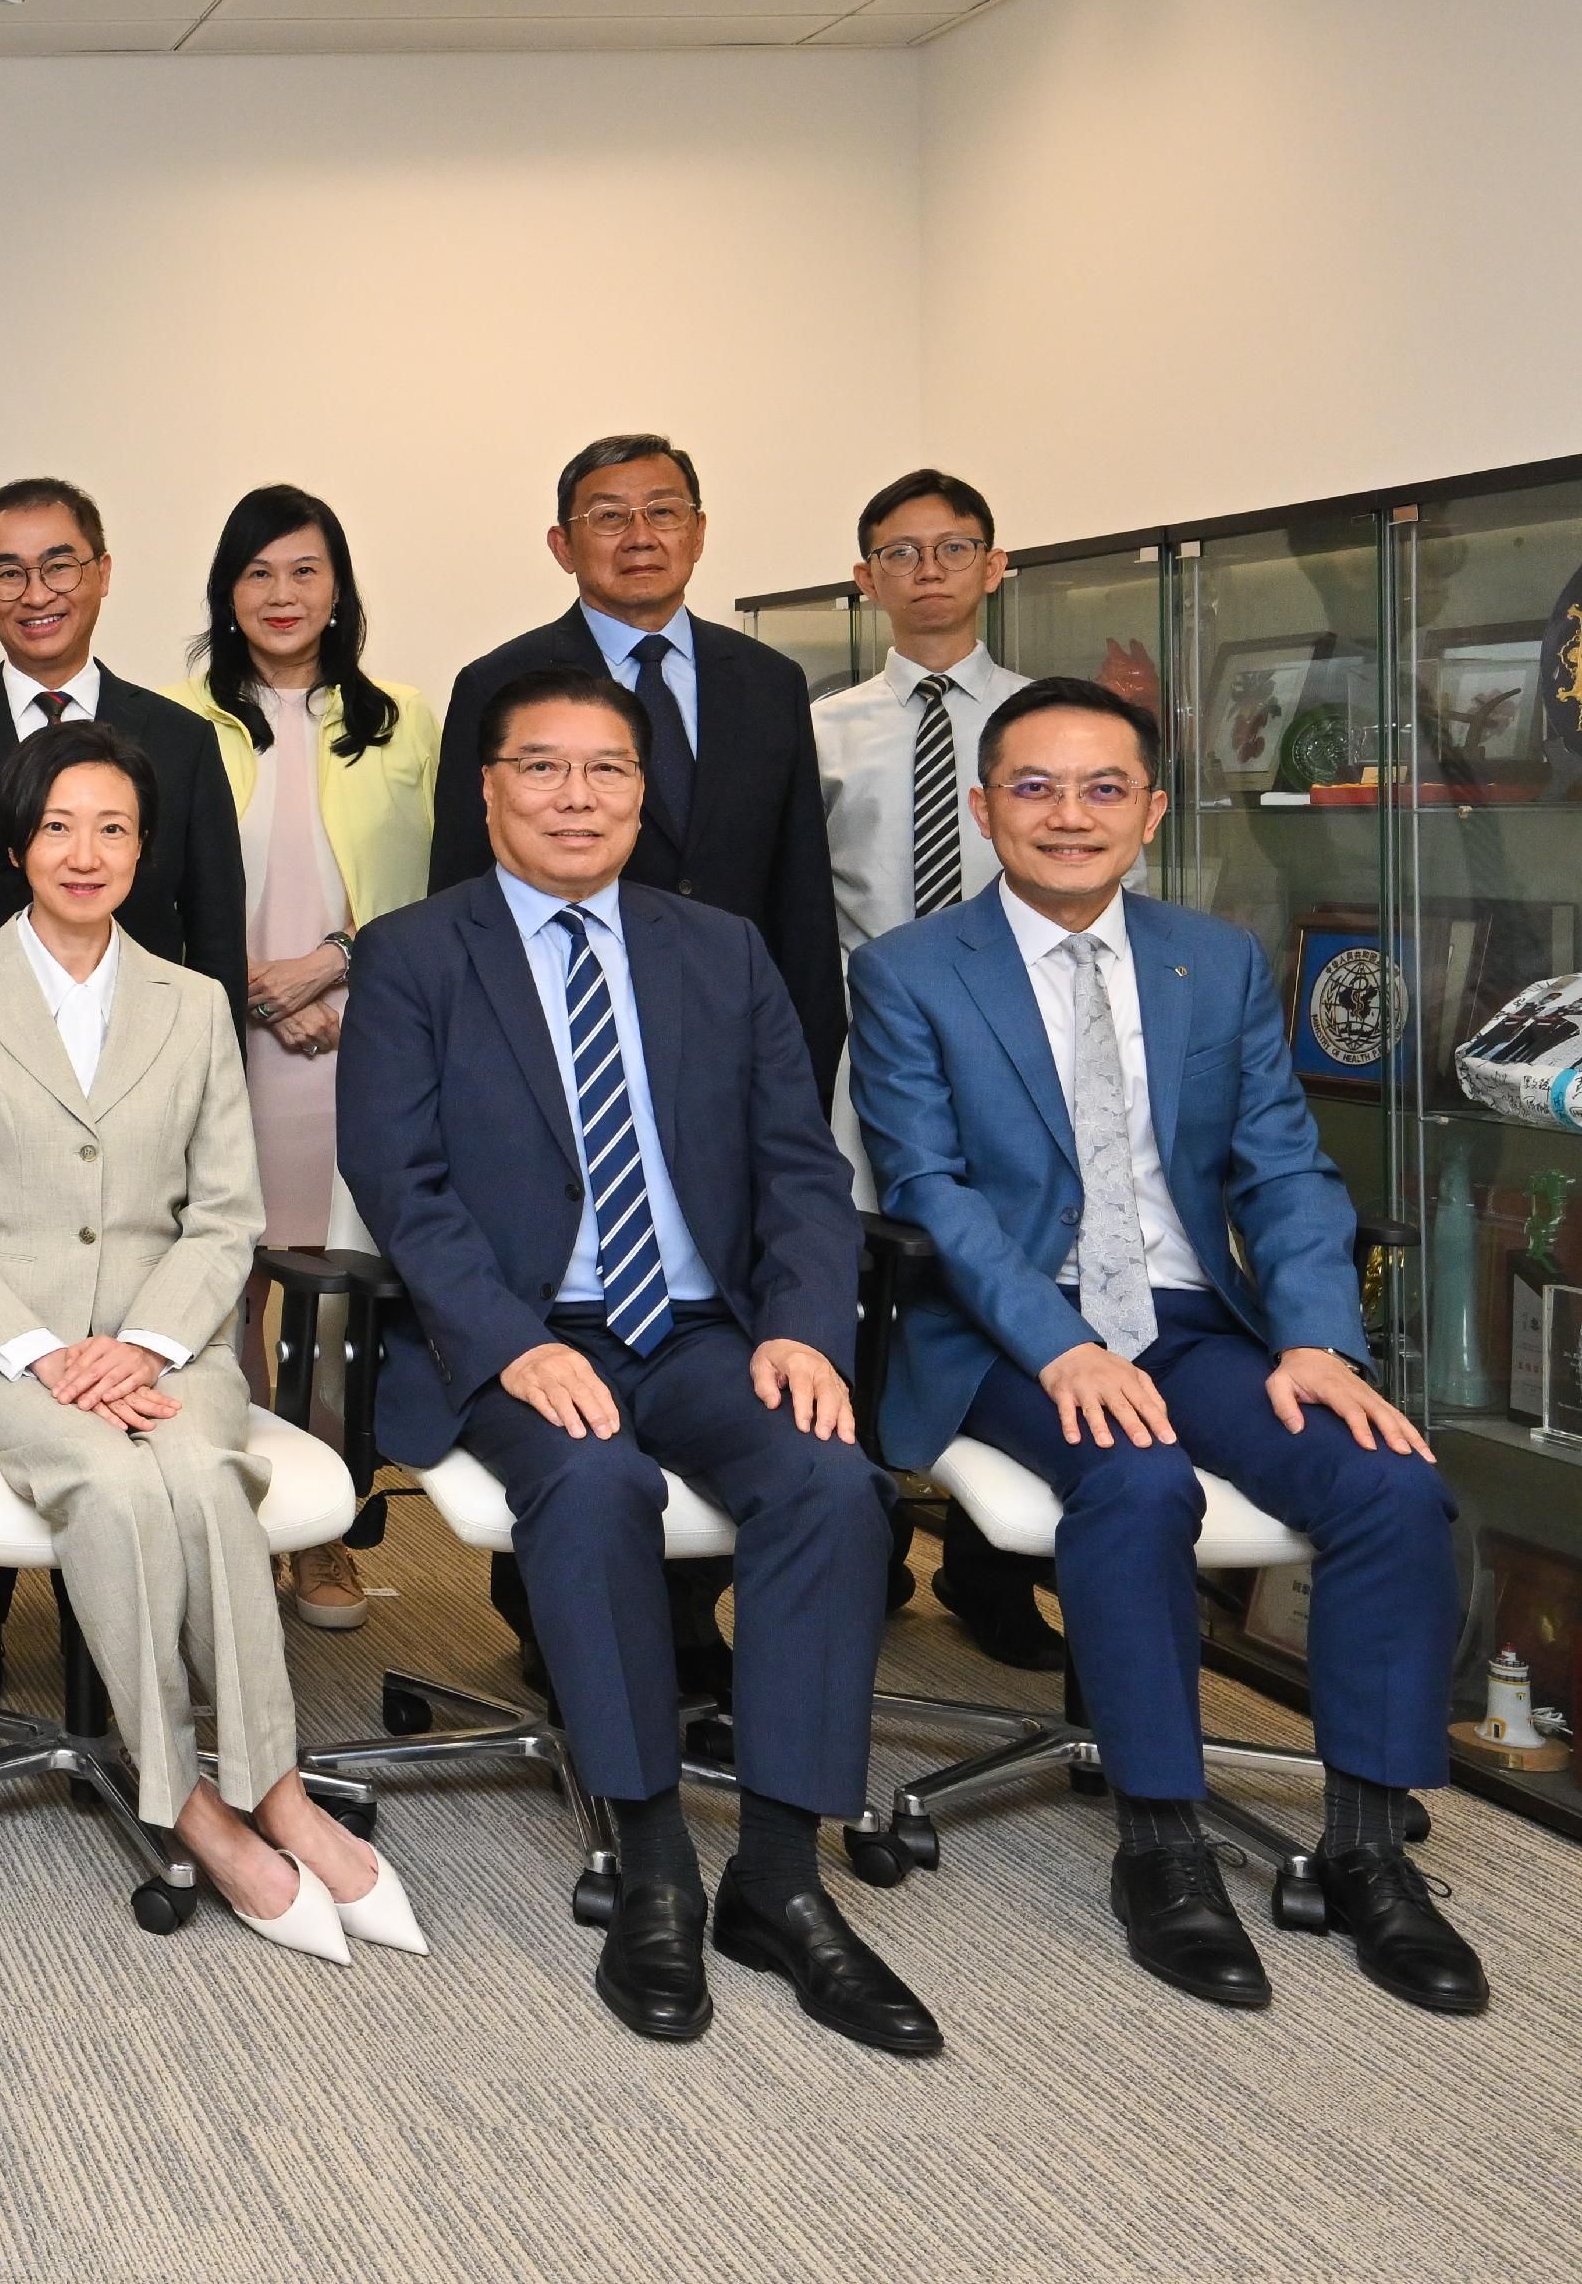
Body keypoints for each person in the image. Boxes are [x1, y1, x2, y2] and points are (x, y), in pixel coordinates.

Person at [853, 676, 1485, 2018]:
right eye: (1033, 787)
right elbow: (929, 1194)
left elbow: (1284, 1170)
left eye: (1102, 790)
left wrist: (1319, 1338)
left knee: (1389, 1487)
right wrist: (1062, 1345)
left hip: (1195, 1321)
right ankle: (1163, 1844)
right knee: (1135, 1481)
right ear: (982, 807)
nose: (1067, 817)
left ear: (1148, 811)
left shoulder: (1214, 963)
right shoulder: (909, 973)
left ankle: (1369, 1852)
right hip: (1008, 1328)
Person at [343, 664, 938, 2059]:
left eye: (605, 769)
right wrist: (509, 1342)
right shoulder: (419, 953)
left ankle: (781, 1881)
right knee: (598, 1485)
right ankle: (654, 1859)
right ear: (487, 791)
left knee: (832, 1487)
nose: (575, 796)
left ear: (644, 793)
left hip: (705, 1329)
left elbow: (801, 1170)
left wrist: (803, 1325)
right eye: (540, 768)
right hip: (525, 1331)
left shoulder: (721, 951)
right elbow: (401, 1180)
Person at [0, 722, 428, 1962]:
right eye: (60, 826)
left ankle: (272, 1785)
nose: (87, 852)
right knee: (117, 1477)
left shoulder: (189, 1002)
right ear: (17, 843)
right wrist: (42, 1351)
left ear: (146, 848)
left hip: (167, 1345)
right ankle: (198, 1801)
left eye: (114, 828)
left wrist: (141, 1341)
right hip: (0, 1356)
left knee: (199, 1472)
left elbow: (224, 1211)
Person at [427, 433, 844, 1682]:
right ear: (563, 543)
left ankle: (687, 1622)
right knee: (567, 1398)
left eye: (665, 512)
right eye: (608, 516)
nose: (640, 534)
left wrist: (799, 1083)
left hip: (722, 1061)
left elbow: (796, 894)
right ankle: (554, 1621)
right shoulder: (502, 682)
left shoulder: (767, 683)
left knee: (721, 1345)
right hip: (542, 1070)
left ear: (701, 532)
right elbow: (461, 892)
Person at [0, 476, 245, 1710]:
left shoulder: (179, 741)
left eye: (58, 563)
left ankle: (172, 1704)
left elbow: (214, 946)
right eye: (7, 570)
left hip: (136, 1131)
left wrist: (142, 1334)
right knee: (36, 1431)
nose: (35, 590)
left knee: (162, 1454)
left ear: (101, 570)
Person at [161, 485, 437, 1636]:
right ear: (227, 592)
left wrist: (333, 973)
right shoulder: (173, 720)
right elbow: (147, 888)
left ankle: (326, 1534)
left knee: (338, 1308)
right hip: (217, 1045)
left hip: (359, 1045)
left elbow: (442, 891)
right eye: (258, 573)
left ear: (339, 588)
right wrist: (252, 994)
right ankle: (236, 1514)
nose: (282, 595)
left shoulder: (406, 718)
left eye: (304, 571)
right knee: (220, 1294)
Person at [808, 468, 1062, 1673]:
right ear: (866, 579)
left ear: (993, 565)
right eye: (898, 553)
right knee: (866, 1282)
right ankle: (863, 1542)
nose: (926, 571)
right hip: (870, 1039)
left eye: (951, 547)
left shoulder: (1044, 725)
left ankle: (985, 1559)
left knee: (1006, 1271)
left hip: (1021, 1046)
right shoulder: (824, 727)